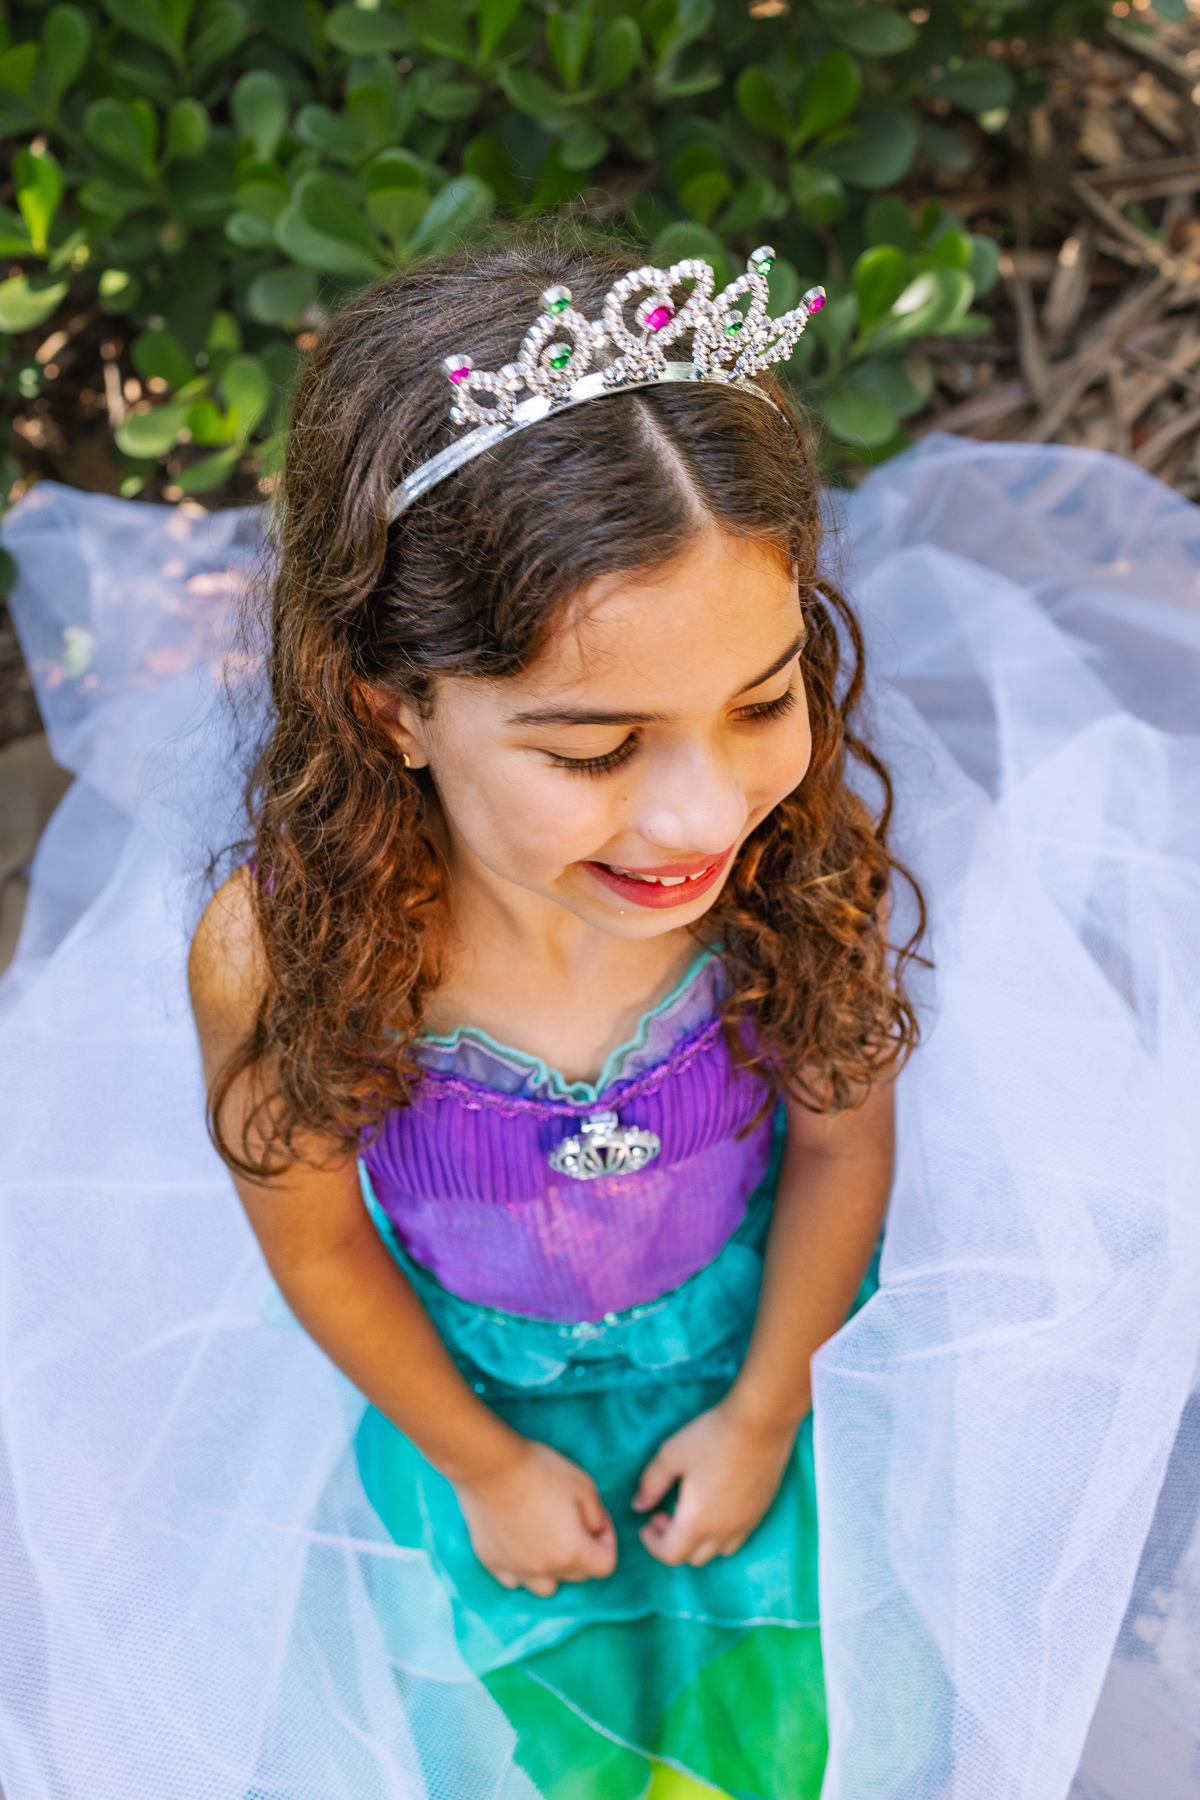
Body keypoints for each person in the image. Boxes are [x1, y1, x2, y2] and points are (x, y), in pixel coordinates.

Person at [1, 229, 1198, 1800]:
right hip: (473, 1408)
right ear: (393, 707)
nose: (704, 813)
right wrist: (483, 1462)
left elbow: (843, 1150)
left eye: (763, 701)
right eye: (595, 749)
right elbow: (321, 1246)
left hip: (761, 1358)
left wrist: (767, 1411)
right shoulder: (285, 952)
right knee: (528, 1748)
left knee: (803, 1734)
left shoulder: (793, 865)